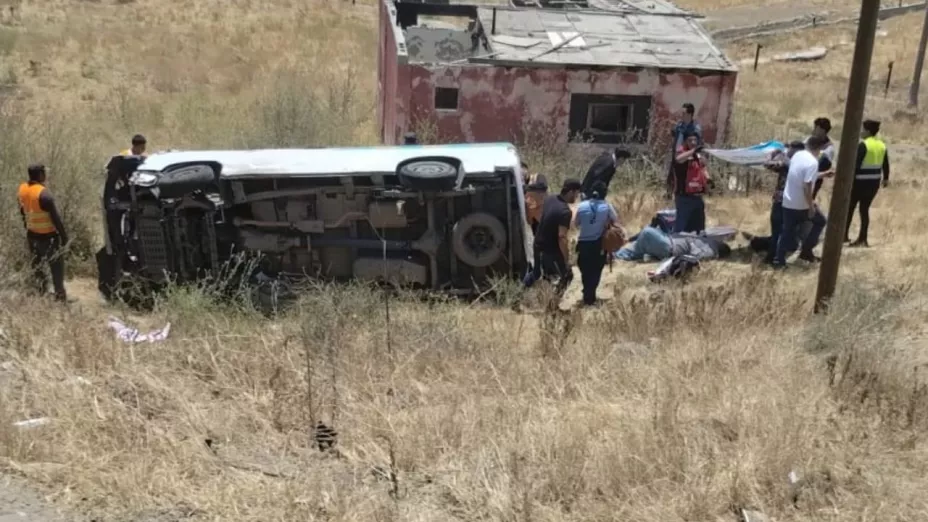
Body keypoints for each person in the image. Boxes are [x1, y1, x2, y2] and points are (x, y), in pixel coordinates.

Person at [17, 163, 69, 302]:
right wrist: (64, 237)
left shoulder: (22, 189)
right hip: (48, 238)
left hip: (32, 236)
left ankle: (41, 293)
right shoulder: (44, 194)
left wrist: (27, 228)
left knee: (38, 268)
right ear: (40, 175)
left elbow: (23, 212)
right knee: (56, 268)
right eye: (44, 173)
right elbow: (56, 219)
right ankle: (60, 297)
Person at [773, 135, 827, 268]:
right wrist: (811, 206)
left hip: (788, 201)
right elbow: (807, 185)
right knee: (820, 221)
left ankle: (778, 260)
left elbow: (799, 174)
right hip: (801, 205)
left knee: (786, 231)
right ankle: (806, 251)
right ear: (820, 148)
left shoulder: (798, 156)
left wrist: (823, 174)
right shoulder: (813, 162)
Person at [523, 178, 582, 292]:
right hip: (550, 250)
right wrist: (566, 259)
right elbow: (562, 237)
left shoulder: (550, 199)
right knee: (567, 275)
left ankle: (518, 295)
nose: (576, 197)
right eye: (576, 194)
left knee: (536, 273)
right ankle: (553, 303)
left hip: (538, 244)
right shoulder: (565, 212)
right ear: (571, 192)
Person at [572, 180, 619, 306]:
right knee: (596, 269)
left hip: (583, 243)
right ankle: (590, 294)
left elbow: (576, 223)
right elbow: (616, 221)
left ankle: (587, 292)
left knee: (585, 269)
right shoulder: (607, 206)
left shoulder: (582, 206)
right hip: (598, 244)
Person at [846, 119, 890, 247]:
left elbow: (855, 165)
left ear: (868, 131)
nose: (861, 132)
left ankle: (844, 235)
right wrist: (886, 178)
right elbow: (886, 164)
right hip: (873, 184)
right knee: (864, 210)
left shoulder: (863, 145)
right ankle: (863, 238)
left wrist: (848, 181)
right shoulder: (882, 145)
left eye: (863, 129)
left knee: (850, 208)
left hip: (859, 183)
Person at [614, 226, 731, 262]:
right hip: (667, 242)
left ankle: (629, 252)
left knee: (647, 232)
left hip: (669, 247)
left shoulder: (711, 250)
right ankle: (612, 255)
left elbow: (697, 256)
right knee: (639, 245)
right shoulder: (708, 241)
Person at [671, 131, 710, 234]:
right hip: (684, 198)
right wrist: (693, 151)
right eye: (690, 140)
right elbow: (678, 159)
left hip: (698, 197)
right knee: (681, 228)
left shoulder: (698, 156)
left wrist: (709, 179)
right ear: (685, 142)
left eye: (695, 140)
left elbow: (703, 168)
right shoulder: (682, 153)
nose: (693, 142)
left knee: (699, 228)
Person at [666, 103, 702, 197]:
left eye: (683, 113)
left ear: (689, 114)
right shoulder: (679, 125)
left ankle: (682, 199)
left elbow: (696, 145)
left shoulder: (695, 129)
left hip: (686, 159)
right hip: (676, 156)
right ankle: (670, 197)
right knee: (672, 179)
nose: (681, 115)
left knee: (683, 182)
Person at [807, 117, 837, 200]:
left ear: (822, 130)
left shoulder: (829, 149)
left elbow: (822, 167)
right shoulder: (809, 140)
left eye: (816, 128)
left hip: (814, 182)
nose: (813, 130)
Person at [521, 161, 548, 235]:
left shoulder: (537, 176)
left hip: (544, 213)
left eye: (522, 170)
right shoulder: (521, 184)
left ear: (526, 169)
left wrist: (525, 187)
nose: (522, 174)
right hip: (533, 217)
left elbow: (543, 185)